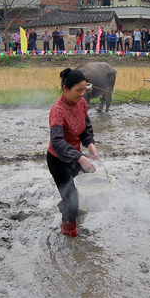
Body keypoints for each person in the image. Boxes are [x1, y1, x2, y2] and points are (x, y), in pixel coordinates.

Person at [48, 68, 99, 237]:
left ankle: (66, 202)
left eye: (84, 89)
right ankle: (70, 233)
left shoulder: (82, 103)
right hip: (59, 161)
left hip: (75, 156)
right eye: (78, 90)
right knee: (72, 200)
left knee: (89, 178)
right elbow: (57, 142)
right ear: (65, 89)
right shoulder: (58, 111)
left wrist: (89, 143)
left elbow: (86, 126)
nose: (82, 94)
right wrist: (80, 158)